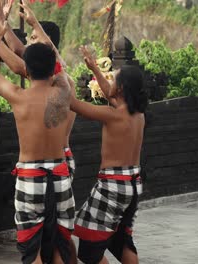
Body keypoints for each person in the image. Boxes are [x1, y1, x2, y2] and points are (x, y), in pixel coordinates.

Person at [0, 12, 75, 264]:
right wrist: (36, 25)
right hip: (60, 173)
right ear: (53, 69)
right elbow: (62, 65)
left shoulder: (18, 96)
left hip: (30, 177)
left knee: (31, 249)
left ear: (25, 69)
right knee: (59, 245)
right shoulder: (64, 90)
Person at [71, 46, 147, 264]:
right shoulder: (137, 114)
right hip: (132, 184)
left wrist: (54, 74)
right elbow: (110, 95)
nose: (108, 82)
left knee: (88, 251)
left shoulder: (112, 116)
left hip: (112, 187)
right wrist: (95, 68)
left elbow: (74, 104)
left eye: (112, 79)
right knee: (122, 241)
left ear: (121, 89)